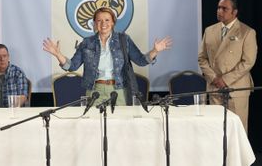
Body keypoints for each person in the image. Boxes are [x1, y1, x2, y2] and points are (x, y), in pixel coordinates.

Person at [43, 7, 172, 105]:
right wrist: (57, 54)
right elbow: (72, 66)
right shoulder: (87, 42)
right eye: (99, 20)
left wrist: (155, 50)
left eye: (107, 20)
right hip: (94, 91)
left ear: (113, 23)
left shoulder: (124, 40)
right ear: (94, 24)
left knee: (119, 129)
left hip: (119, 90)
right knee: (93, 129)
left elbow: (141, 60)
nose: (103, 23)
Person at [198, 0, 257, 133]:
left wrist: (225, 79)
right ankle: (218, 155)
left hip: (236, 88)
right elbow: (202, 58)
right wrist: (214, 78)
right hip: (214, 87)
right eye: (219, 7)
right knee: (217, 129)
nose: (220, 11)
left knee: (238, 130)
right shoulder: (209, 30)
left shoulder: (246, 32)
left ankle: (237, 156)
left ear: (234, 12)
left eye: (225, 8)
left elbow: (248, 61)